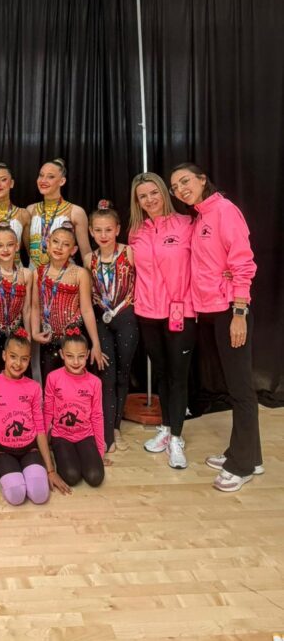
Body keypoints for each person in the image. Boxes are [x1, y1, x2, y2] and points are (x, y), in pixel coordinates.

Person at [169, 163, 262, 492]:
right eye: (175, 187)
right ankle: (251, 453)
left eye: (185, 181)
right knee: (233, 385)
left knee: (240, 390)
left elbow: (243, 262)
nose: (181, 189)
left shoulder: (224, 211)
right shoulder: (200, 217)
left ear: (202, 179)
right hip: (209, 312)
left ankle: (243, 466)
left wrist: (240, 311)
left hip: (229, 312)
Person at [128, 172, 196, 470]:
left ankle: (178, 437)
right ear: (137, 202)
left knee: (178, 376)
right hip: (147, 313)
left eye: (154, 193)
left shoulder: (187, 224)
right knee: (162, 373)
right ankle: (166, 430)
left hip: (181, 312)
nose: (150, 200)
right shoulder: (136, 232)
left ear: (164, 193)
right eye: (143, 196)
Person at [0, 330, 69, 505]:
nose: (18, 363)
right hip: (3, 451)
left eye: (24, 358)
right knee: (16, 496)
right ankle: (13, 475)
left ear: (29, 359)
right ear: (4, 355)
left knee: (40, 495)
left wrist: (50, 470)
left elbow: (40, 429)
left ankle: (31, 474)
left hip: (30, 449)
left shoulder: (34, 387)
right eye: (13, 356)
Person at [84, 200, 138, 453]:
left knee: (122, 374)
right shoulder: (88, 259)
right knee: (106, 375)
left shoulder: (129, 253)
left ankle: (116, 425)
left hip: (126, 316)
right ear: (91, 232)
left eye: (108, 230)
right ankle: (106, 431)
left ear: (117, 229)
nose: (103, 235)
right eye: (98, 230)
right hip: (101, 319)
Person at [31, 223, 106, 386]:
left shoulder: (79, 273)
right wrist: (35, 332)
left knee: (74, 384)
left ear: (73, 250)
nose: (59, 247)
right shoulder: (38, 272)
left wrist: (96, 343)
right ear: (48, 244)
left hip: (74, 338)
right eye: (56, 242)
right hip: (49, 339)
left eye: (66, 245)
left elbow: (86, 309)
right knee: (50, 384)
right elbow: (35, 306)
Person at [44, 328, 105, 487]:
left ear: (87, 354)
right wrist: (43, 447)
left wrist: (99, 451)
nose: (76, 362)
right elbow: (48, 412)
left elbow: (97, 416)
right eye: (70, 356)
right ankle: (65, 456)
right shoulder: (53, 378)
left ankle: (84, 456)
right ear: (62, 354)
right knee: (71, 477)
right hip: (61, 436)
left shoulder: (95, 382)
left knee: (95, 477)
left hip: (85, 435)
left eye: (81, 357)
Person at [0, 221, 33, 376]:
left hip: (18, 331)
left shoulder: (26, 274)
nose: (5, 250)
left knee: (20, 374)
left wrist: (28, 337)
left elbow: (27, 309)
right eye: (0, 245)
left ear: (17, 246)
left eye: (9, 245)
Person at [25, 158, 91, 268]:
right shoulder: (30, 210)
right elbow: (28, 249)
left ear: (62, 181)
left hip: (64, 279)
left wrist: (90, 282)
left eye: (50, 176)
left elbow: (86, 254)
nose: (43, 180)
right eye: (41, 175)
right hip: (34, 277)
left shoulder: (76, 212)